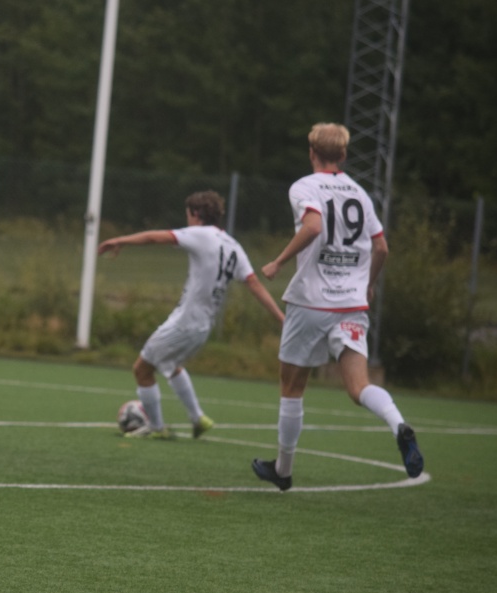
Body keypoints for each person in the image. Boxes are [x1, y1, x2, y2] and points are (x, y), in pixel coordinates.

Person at [252, 122, 424, 491]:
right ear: (343, 155)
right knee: (359, 386)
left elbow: (314, 226)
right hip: (351, 304)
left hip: (311, 301)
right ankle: (398, 424)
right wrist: (368, 284)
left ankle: (283, 470)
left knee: (292, 386)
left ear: (311, 153)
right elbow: (381, 248)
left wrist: (279, 261)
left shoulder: (304, 186)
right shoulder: (360, 193)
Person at [99, 191, 285, 439]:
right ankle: (198, 419)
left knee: (142, 370)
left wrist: (121, 240)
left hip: (186, 322)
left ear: (196, 213)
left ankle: (156, 428)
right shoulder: (234, 246)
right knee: (171, 365)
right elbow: (254, 284)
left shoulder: (201, 234)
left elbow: (156, 237)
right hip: (203, 325)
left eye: (187, 214)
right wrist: (281, 318)